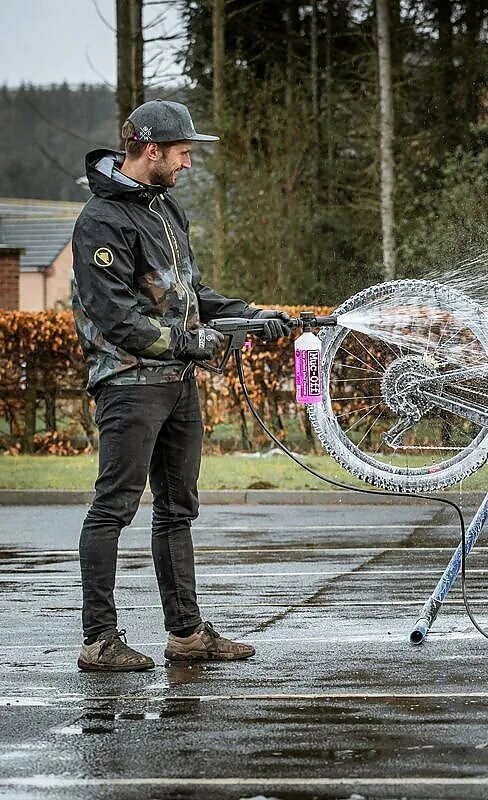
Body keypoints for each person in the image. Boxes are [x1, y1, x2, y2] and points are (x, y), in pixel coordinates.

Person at [71, 99, 291, 671]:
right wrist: (195, 344)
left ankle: (187, 634)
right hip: (127, 383)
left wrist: (248, 313)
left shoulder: (166, 210)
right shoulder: (100, 220)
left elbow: (190, 294)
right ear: (151, 150)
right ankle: (98, 640)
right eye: (183, 153)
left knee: (177, 509)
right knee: (113, 507)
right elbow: (117, 318)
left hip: (176, 383)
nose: (189, 164)